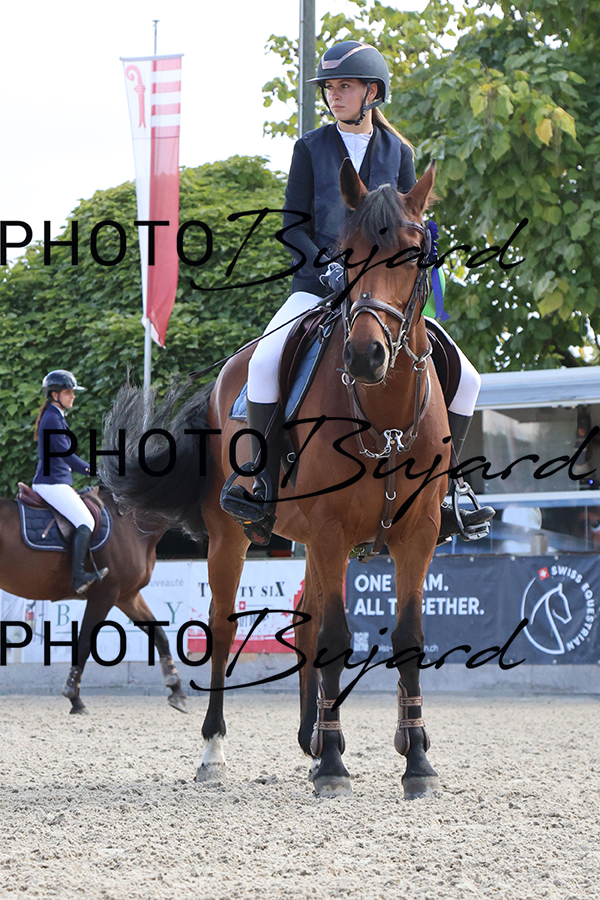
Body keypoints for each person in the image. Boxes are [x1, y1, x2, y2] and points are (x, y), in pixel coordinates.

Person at [221, 40, 494, 545]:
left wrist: (422, 254)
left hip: (385, 295)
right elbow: (291, 226)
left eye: (343, 86)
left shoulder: (399, 153)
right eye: (329, 87)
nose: (333, 95)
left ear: (372, 92)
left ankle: (447, 491)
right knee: (261, 364)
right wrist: (325, 267)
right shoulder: (310, 149)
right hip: (318, 287)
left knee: (470, 380)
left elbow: (413, 219)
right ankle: (261, 482)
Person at [32, 370, 108, 594]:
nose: (73, 396)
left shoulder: (56, 416)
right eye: (68, 392)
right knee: (86, 521)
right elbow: (67, 456)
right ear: (54, 395)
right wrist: (95, 470)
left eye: (73, 392)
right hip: (51, 483)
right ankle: (78, 577)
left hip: (57, 481)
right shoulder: (52, 418)